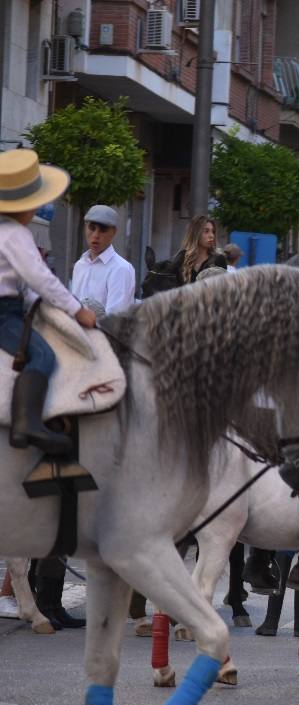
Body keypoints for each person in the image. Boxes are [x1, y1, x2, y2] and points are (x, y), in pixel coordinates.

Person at [1, 150, 97, 629]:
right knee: (45, 358)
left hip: (14, 308)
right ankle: (28, 425)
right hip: (4, 313)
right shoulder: (15, 234)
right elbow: (39, 279)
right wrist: (77, 311)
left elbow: (33, 286)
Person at [70, 204, 135, 315]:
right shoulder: (79, 265)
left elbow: (115, 319)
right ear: (85, 227)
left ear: (113, 232)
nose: (96, 235)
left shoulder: (121, 269)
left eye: (103, 229)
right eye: (92, 228)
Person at [168, 215, 227, 285]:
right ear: (195, 233)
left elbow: (222, 287)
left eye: (213, 232)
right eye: (206, 231)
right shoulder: (182, 257)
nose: (211, 236)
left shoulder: (219, 259)